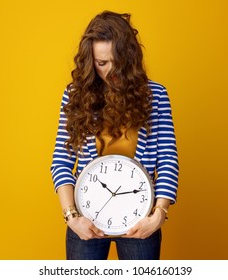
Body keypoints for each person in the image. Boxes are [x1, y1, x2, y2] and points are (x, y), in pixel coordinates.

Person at [50, 11, 179, 260]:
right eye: (101, 63)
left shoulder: (156, 96)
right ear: (90, 61)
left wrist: (159, 215)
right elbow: (61, 161)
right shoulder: (75, 94)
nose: (110, 71)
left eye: (117, 62)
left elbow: (167, 160)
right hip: (85, 217)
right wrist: (71, 216)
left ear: (130, 58)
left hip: (141, 219)